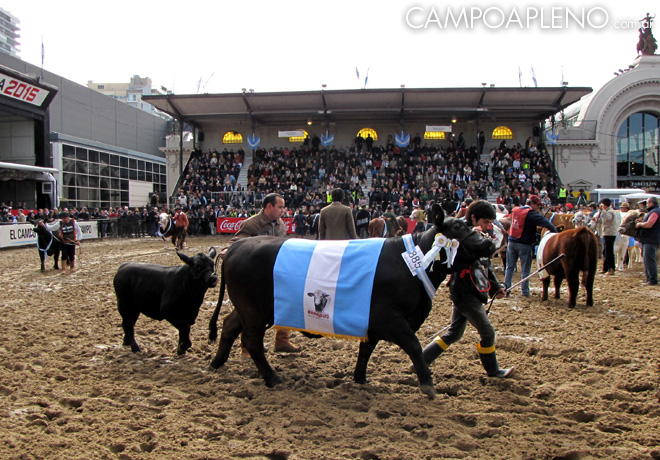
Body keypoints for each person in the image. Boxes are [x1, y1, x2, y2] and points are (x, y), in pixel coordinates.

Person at [420, 201, 513, 378]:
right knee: (487, 332)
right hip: (465, 292)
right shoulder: (457, 233)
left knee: (453, 334)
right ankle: (493, 370)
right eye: (485, 222)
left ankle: (421, 361)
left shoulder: (478, 235)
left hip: (472, 290)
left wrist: (495, 287)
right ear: (473, 218)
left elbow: (485, 265)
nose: (488, 226)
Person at [220, 193, 301, 352]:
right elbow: (238, 244)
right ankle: (246, 344)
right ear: (269, 206)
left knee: (284, 304)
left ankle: (282, 340)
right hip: (256, 277)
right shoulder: (251, 224)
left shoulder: (281, 225)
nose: (283, 210)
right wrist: (227, 250)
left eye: (283, 207)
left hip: (277, 273)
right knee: (250, 310)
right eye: (280, 207)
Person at [504, 195, 557, 297]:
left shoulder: (515, 210)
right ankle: (524, 291)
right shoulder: (532, 215)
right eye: (537, 205)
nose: (538, 208)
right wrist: (555, 233)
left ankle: (506, 289)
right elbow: (548, 224)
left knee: (509, 267)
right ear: (533, 204)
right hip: (524, 244)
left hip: (512, 241)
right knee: (525, 269)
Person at [636, 196, 660, 286]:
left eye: (647, 203)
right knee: (647, 259)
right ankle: (649, 278)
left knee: (649, 259)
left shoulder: (655, 212)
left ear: (651, 203)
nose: (646, 205)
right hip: (650, 239)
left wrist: (639, 224)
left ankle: (653, 280)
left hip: (651, 239)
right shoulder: (654, 211)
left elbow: (650, 224)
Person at [598, 198, 620, 275]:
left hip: (610, 233)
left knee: (609, 251)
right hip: (606, 233)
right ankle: (605, 267)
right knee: (605, 251)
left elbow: (608, 218)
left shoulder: (610, 212)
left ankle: (611, 268)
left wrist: (603, 211)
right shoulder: (606, 212)